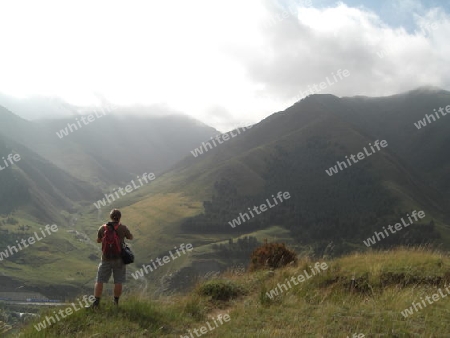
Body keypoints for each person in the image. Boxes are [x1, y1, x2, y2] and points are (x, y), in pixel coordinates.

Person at [92, 209, 133, 308]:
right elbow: (130, 237)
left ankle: (96, 303)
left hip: (106, 258)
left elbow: (98, 240)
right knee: (118, 281)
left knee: (100, 280)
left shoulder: (103, 228)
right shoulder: (123, 228)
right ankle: (115, 303)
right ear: (119, 217)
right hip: (119, 259)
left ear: (110, 217)